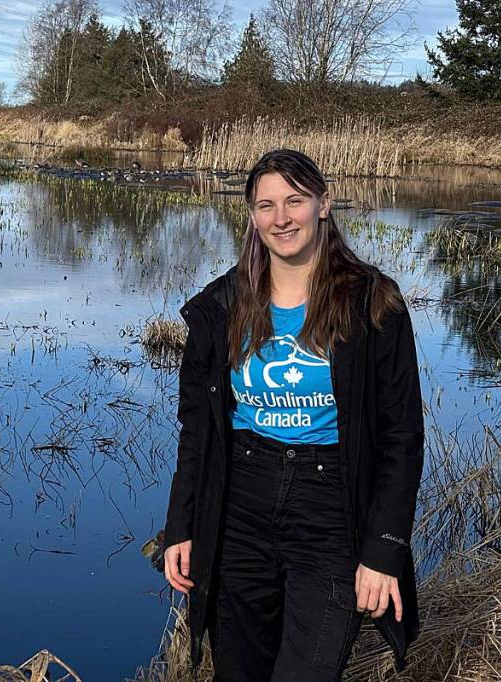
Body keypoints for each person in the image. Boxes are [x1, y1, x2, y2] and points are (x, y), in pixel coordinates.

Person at [161, 149, 424, 681]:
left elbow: (401, 437)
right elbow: (198, 432)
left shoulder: (374, 304)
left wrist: (382, 551)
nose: (281, 218)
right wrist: (181, 526)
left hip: (330, 512)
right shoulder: (221, 306)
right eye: (265, 205)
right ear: (253, 217)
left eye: (294, 201)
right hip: (240, 505)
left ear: (323, 204)